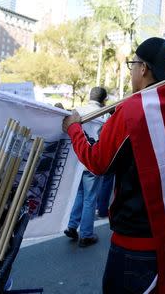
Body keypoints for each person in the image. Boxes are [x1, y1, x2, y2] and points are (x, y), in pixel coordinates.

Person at [62, 37, 165, 293]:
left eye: (133, 64)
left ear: (144, 68)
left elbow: (97, 162)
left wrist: (73, 130)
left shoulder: (133, 110)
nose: (132, 70)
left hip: (133, 244)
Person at [63, 87, 108, 247]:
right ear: (104, 100)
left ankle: (72, 225)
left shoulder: (78, 111)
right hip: (92, 161)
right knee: (90, 198)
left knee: (80, 194)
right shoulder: (104, 114)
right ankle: (86, 234)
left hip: (78, 160)